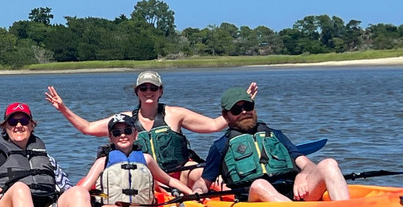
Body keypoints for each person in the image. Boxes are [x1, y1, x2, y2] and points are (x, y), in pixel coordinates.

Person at [45, 72, 258, 183]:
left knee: (201, 172)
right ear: (137, 92)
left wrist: (241, 108)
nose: (149, 91)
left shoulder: (175, 114)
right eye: (144, 88)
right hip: (148, 178)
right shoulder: (125, 121)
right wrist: (63, 108)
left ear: (160, 91)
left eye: (153, 87)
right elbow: (88, 128)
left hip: (181, 174)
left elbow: (213, 125)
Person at [191, 87, 350, 202]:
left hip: (292, 193)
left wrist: (302, 175)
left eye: (248, 106)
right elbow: (204, 181)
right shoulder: (220, 146)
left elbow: (308, 165)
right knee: (260, 184)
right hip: (255, 201)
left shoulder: (276, 135)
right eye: (236, 110)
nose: (244, 112)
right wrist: (197, 190)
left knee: (329, 164)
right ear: (226, 115)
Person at [80, 114, 197, 207]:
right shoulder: (103, 162)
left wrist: (191, 193)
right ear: (110, 137)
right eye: (116, 133)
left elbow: (168, 180)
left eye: (127, 131)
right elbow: (82, 191)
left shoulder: (146, 159)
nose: (123, 135)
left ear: (135, 134)